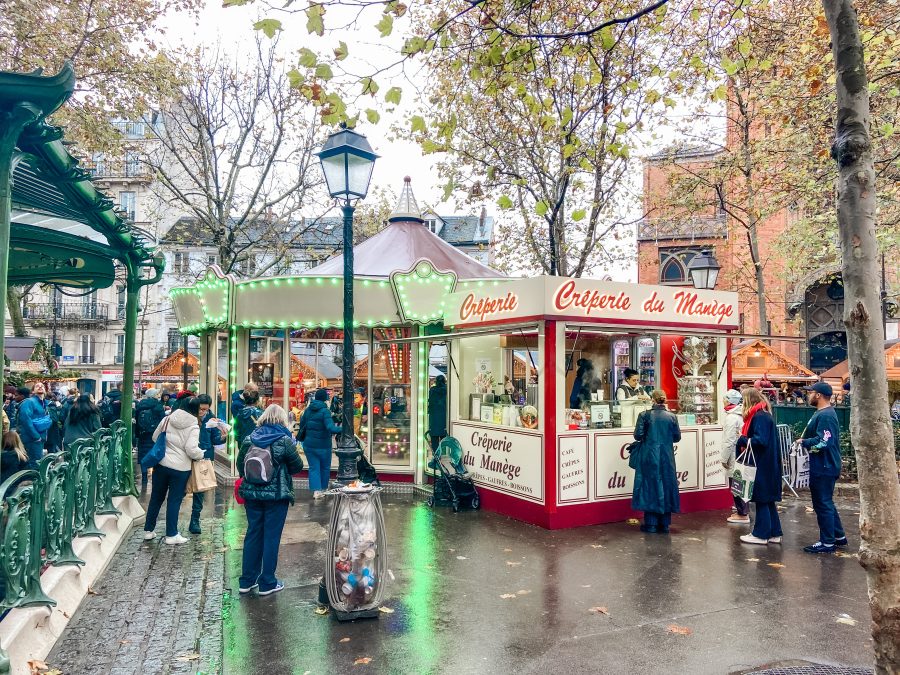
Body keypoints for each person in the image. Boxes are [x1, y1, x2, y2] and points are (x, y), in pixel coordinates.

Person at [236, 404, 304, 596]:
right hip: (276, 496)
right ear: (282, 420)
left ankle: (247, 580)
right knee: (271, 537)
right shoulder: (284, 440)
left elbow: (241, 466)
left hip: (252, 495)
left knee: (253, 534)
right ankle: (267, 582)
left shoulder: (249, 438)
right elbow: (297, 466)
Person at [143, 396, 204, 545]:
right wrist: (201, 453)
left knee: (156, 497)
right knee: (174, 500)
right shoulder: (194, 426)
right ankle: (171, 535)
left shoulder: (167, 419)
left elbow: (155, 437)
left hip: (161, 464)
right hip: (180, 469)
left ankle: (148, 531)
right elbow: (191, 449)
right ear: (196, 409)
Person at [798, 381, 847, 553]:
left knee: (822, 504)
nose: (808, 395)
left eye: (810, 392)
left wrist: (804, 442)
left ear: (818, 395)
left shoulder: (825, 415)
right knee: (827, 502)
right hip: (825, 464)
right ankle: (838, 536)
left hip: (823, 466)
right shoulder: (823, 413)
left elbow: (825, 441)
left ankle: (827, 542)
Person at [631, 389, 681, 534]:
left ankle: (651, 524)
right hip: (667, 456)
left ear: (652, 400)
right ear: (664, 400)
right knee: (666, 484)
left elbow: (638, 435)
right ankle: (664, 524)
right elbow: (677, 437)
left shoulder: (644, 415)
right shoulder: (672, 417)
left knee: (649, 486)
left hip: (649, 455)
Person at [737, 388, 783, 546]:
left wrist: (743, 439)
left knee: (761, 499)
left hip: (761, 464)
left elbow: (760, 440)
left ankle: (760, 534)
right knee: (768, 500)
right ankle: (774, 533)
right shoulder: (765, 414)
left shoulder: (759, 417)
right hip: (769, 463)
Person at [297, 388, 341, 499]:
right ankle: (323, 489)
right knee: (325, 467)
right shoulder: (325, 411)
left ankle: (316, 491)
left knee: (314, 468)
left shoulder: (308, 410)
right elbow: (331, 428)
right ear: (325, 399)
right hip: (323, 445)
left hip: (309, 444)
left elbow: (302, 425)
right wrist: (344, 428)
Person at [189, 393, 223, 535]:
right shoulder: (189, 416)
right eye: (201, 409)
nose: (203, 412)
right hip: (187, 455)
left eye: (206, 409)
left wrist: (224, 434)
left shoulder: (210, 417)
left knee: (200, 490)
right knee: (180, 489)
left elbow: (215, 439)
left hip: (204, 456)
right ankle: (172, 524)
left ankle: (195, 520)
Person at [720, 389, 749, 524]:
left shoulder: (731, 418)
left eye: (725, 399)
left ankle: (742, 513)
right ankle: (742, 510)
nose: (723, 401)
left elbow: (729, 440)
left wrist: (724, 458)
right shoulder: (740, 415)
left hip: (733, 455)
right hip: (740, 454)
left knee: (736, 484)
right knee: (740, 483)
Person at [134, 388, 166, 483]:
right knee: (155, 454)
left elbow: (136, 420)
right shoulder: (158, 405)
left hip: (143, 434)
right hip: (154, 434)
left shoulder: (140, 405)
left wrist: (137, 434)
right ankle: (155, 476)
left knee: (143, 455)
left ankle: (144, 478)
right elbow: (162, 420)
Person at [17, 383, 49, 469]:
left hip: (39, 438)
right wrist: (36, 436)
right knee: (34, 463)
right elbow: (25, 419)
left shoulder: (44, 403)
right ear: (33, 391)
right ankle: (32, 481)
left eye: (42, 386)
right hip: (32, 439)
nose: (40, 387)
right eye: (37, 386)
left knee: (37, 461)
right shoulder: (29, 402)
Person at [427, 375, 448, 453]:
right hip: (444, 418)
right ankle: (443, 455)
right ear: (444, 381)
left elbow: (430, 403)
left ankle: (436, 457)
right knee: (443, 440)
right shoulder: (447, 390)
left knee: (434, 440)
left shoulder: (432, 390)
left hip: (434, 418)